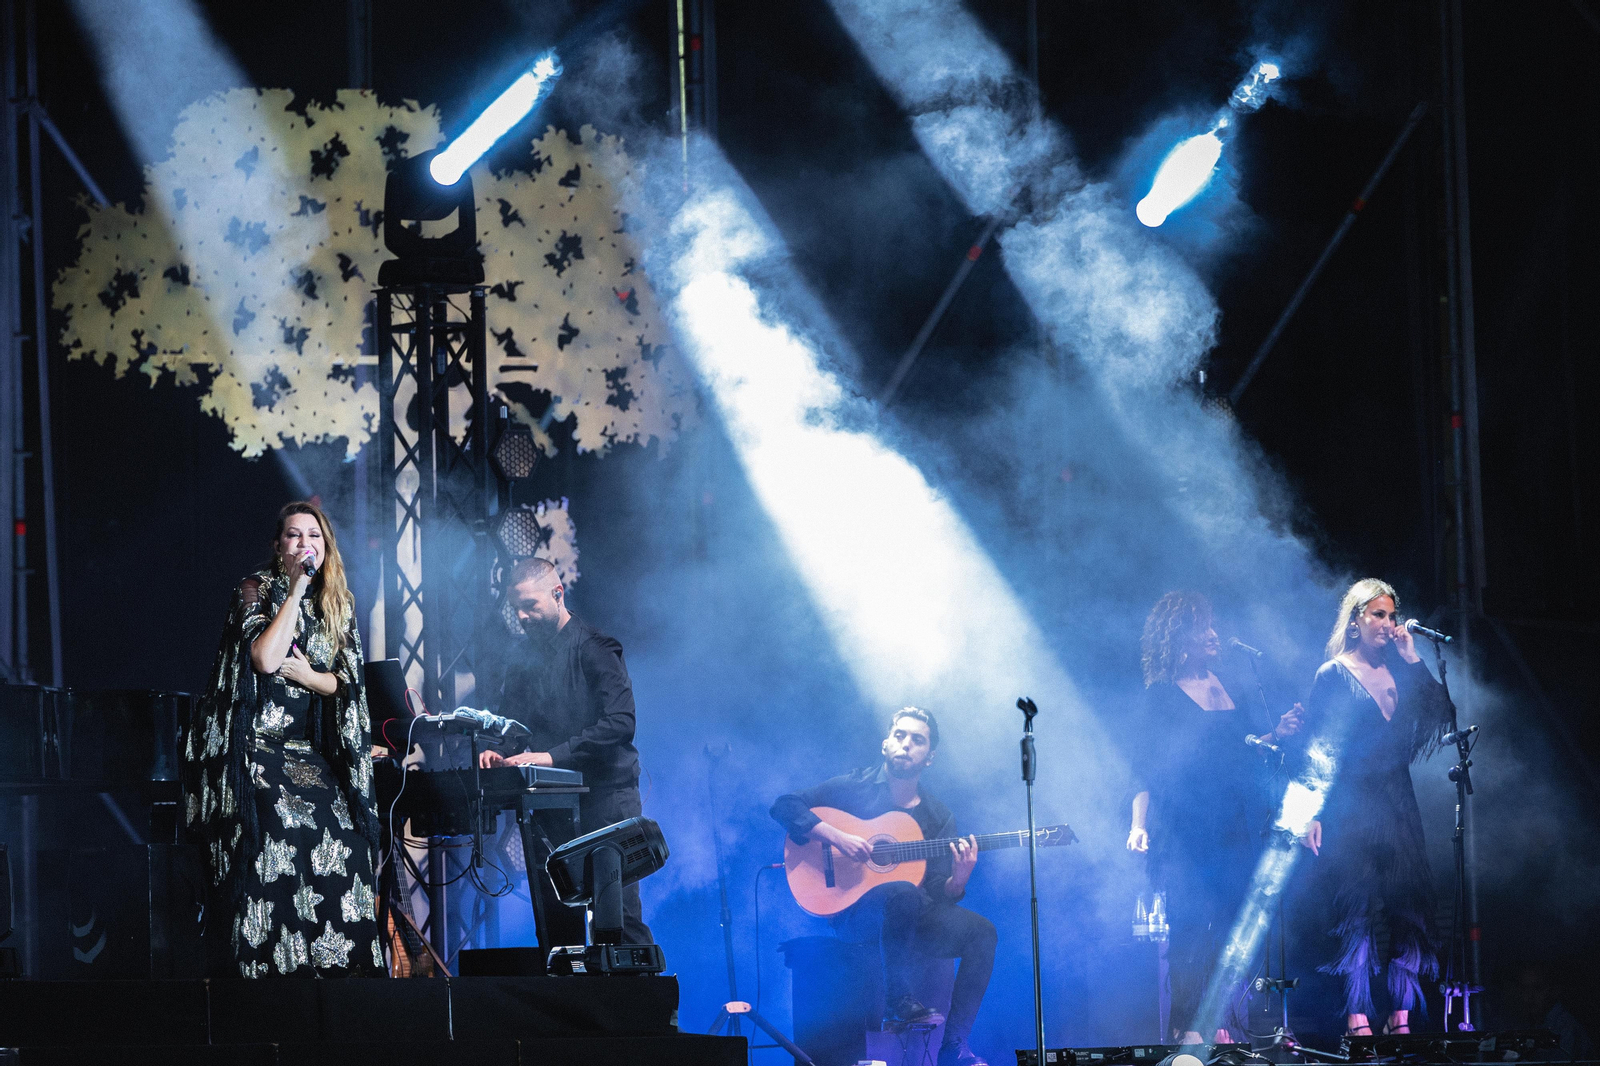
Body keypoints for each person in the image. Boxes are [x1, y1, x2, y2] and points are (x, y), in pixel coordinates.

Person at [183, 501, 384, 977]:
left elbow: (344, 682)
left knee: (347, 837)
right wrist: (294, 593)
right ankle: (275, 970)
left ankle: (340, 972)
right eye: (294, 536)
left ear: (326, 546)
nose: (304, 544)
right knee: (278, 827)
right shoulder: (254, 589)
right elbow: (265, 659)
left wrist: (311, 677)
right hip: (252, 748)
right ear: (278, 546)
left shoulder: (338, 602)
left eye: (314, 536)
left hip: (302, 751)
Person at [771, 707, 995, 1066]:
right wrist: (838, 837)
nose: (906, 744)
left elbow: (937, 892)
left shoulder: (938, 816)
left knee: (982, 932)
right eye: (899, 735)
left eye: (917, 740)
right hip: (856, 914)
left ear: (930, 757)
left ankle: (954, 1045)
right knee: (903, 892)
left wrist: (957, 881)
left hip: (912, 919)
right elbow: (784, 806)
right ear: (885, 744)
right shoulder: (853, 786)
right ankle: (898, 1003)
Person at [1126, 591, 1302, 1043]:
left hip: (1232, 825)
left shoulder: (1228, 685)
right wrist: (1138, 825)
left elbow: (1241, 751)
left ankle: (1217, 1019)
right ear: (1179, 637)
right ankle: (1187, 1027)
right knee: (1190, 927)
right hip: (1184, 828)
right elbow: (1145, 772)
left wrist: (1276, 734)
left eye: (1212, 625)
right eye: (1202, 627)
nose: (1213, 634)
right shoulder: (1161, 697)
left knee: (1228, 925)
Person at [1298, 579, 1450, 1036]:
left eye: (1391, 615)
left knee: (1410, 907)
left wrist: (1413, 659)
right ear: (1355, 621)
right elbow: (1316, 747)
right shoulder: (1333, 674)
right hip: (1351, 806)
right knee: (1356, 910)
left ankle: (1401, 1015)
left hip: (1399, 802)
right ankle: (1357, 1017)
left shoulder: (1402, 672)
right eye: (1377, 615)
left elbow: (1442, 716)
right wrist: (1311, 812)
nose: (1387, 623)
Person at [478, 556, 653, 947]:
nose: (522, 617)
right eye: (516, 608)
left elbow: (620, 723)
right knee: (556, 918)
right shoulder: (522, 661)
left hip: (606, 799)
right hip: (554, 804)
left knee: (616, 917)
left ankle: (639, 986)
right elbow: (515, 723)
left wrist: (551, 756)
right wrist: (498, 749)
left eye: (530, 606)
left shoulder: (596, 648)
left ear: (558, 594)